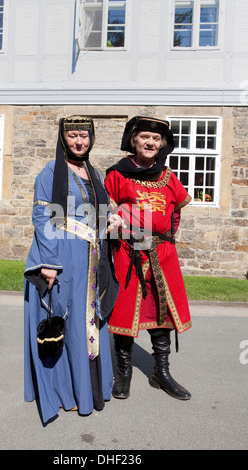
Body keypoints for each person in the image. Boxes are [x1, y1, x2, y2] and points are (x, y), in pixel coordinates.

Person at [24, 116, 121, 424]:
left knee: (89, 319)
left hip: (92, 257)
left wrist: (113, 222)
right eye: (74, 136)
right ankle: (66, 390)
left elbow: (99, 213)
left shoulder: (92, 172)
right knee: (69, 322)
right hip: (64, 257)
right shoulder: (51, 172)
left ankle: (92, 388)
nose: (80, 142)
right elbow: (43, 217)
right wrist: (50, 263)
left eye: (84, 136)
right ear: (63, 138)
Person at [104, 116, 192, 401]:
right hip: (128, 252)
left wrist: (165, 237)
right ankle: (124, 372)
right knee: (125, 311)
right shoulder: (118, 174)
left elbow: (175, 211)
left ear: (161, 144)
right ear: (134, 141)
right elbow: (108, 210)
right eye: (145, 137)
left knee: (162, 312)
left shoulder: (168, 176)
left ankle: (161, 372)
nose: (150, 142)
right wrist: (116, 225)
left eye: (156, 139)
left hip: (162, 253)